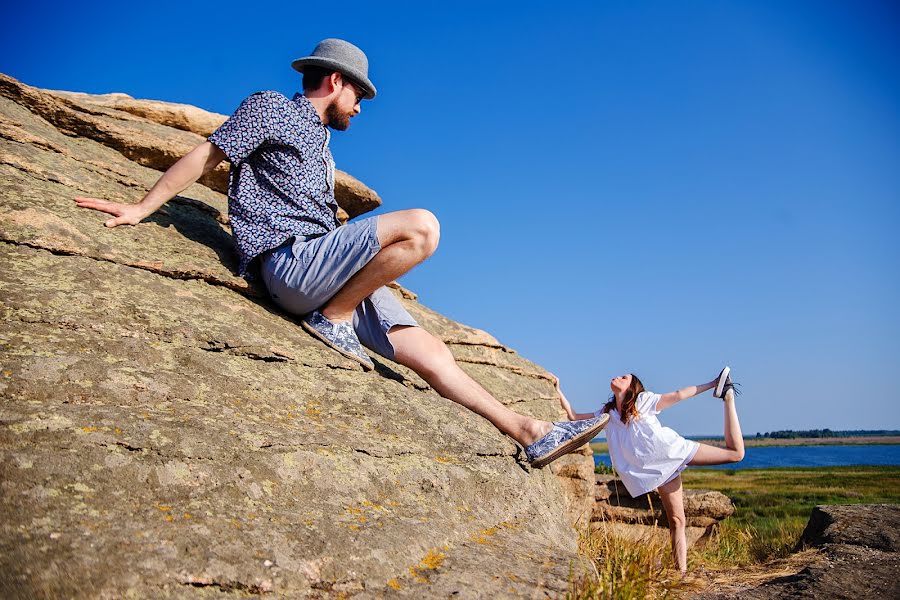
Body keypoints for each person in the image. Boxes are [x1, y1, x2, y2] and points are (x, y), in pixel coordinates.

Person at [73, 38, 609, 468]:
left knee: (427, 349)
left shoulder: (323, 147)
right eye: (360, 96)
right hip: (291, 261)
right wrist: (143, 208)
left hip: (325, 262)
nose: (360, 107)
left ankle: (529, 431)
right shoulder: (272, 108)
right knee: (422, 227)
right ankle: (335, 319)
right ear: (336, 81)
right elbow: (208, 153)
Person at [556, 366, 744, 573]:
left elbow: (679, 395)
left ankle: (728, 397)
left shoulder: (642, 400)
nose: (617, 376)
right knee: (676, 520)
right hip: (656, 470)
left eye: (624, 377)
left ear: (632, 387)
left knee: (736, 454)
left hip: (672, 452)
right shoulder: (607, 414)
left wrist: (712, 384)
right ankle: (680, 574)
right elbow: (574, 417)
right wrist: (557, 388)